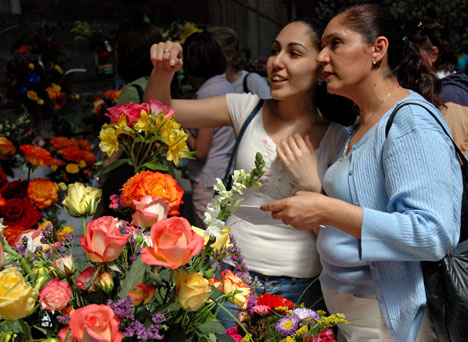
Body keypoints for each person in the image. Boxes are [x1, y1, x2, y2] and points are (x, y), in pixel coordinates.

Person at [261, 4, 462, 342]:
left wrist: (325, 209)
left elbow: (433, 234)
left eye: (335, 43)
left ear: (377, 49)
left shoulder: (410, 121)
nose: (322, 57)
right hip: (353, 319)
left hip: (389, 322)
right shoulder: (359, 123)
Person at [144, 17, 355, 326]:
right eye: (274, 50)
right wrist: (163, 72)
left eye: (293, 53)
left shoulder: (339, 137)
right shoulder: (246, 108)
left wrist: (311, 185)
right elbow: (156, 112)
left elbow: (337, 236)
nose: (276, 62)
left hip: (300, 286)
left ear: (321, 66)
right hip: (230, 277)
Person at [95, 18, 162, 218]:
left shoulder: (133, 92)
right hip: (157, 182)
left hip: (132, 187)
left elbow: (117, 146)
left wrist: (103, 174)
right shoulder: (161, 85)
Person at [181, 31, 236, 228]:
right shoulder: (226, 86)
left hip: (208, 180)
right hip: (225, 173)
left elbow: (201, 150)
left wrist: (182, 126)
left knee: (208, 245)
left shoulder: (207, 94)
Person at [406, 18, 468, 155]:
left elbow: (453, 158)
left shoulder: (451, 96)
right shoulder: (435, 89)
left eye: (414, 55)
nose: (408, 61)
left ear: (433, 54)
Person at [208, 26, 271, 99]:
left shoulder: (252, 81)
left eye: (212, 52)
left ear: (229, 56)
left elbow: (271, 107)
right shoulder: (210, 84)